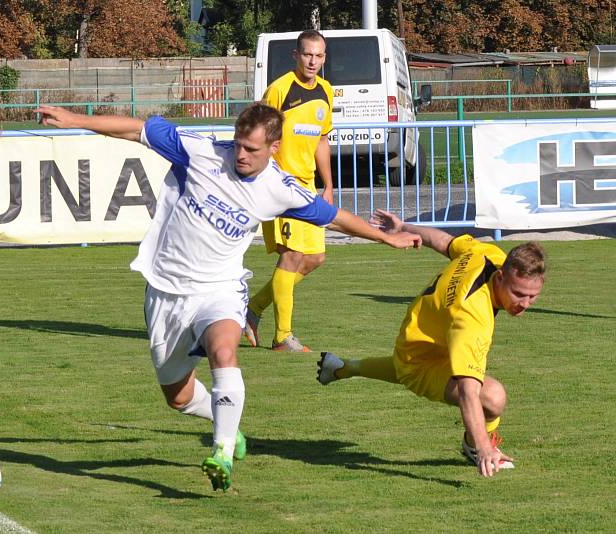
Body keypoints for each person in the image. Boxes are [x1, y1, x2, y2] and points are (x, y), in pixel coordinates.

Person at [36, 102, 421, 491]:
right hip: (165, 290)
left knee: (224, 351)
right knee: (179, 398)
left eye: (251, 149)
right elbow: (136, 130)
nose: (240, 155)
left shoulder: (280, 188)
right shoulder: (202, 153)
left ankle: (220, 451)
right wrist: (74, 121)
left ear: (273, 147)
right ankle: (229, 429)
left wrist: (386, 237)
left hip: (219, 289)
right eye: (238, 144)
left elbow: (334, 216)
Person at [317, 209, 547, 477]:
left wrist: (405, 226)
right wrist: (484, 444)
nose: (525, 304)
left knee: (403, 364)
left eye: (533, 296)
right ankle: (474, 447)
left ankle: (340, 368)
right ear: (500, 277)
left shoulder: (488, 255)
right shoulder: (472, 318)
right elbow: (467, 392)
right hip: (421, 358)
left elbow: (443, 241)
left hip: (420, 334)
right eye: (519, 294)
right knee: (493, 397)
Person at [244, 29, 335, 353]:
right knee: (292, 255)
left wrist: (328, 183)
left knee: (315, 258)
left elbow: (321, 140)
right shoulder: (279, 90)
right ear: (296, 55)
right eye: (307, 54)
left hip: (308, 188)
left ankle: (252, 308)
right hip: (280, 186)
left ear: (324, 58)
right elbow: (258, 134)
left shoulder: (326, 91)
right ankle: (282, 336)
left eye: (319, 55)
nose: (313, 61)